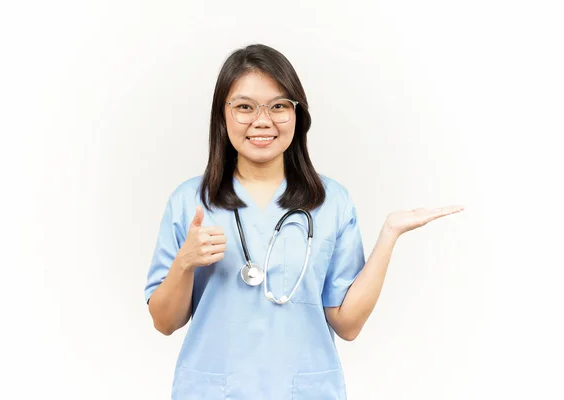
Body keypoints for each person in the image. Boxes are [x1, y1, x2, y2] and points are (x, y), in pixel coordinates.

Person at [144, 44, 464, 400]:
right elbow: (164, 322)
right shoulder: (190, 201)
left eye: (279, 106)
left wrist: (389, 234)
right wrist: (185, 263)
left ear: (298, 115)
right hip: (213, 391)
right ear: (222, 116)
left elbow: (348, 324)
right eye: (244, 107)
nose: (262, 120)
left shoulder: (332, 201)